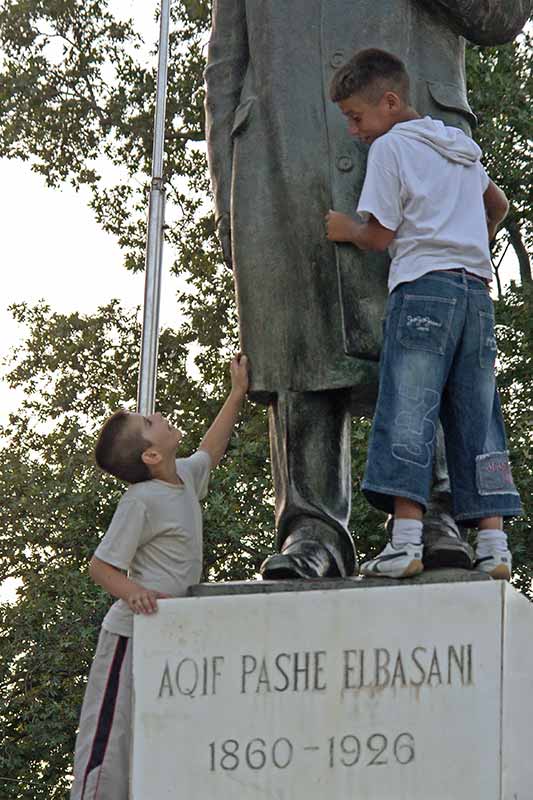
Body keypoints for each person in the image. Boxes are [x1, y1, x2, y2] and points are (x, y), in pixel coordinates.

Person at [204, 0, 531, 580]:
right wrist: (229, 198)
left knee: (423, 364)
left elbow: (500, 17)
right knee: (299, 343)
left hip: (419, 153)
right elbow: (227, 58)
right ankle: (310, 526)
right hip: (281, 150)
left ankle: (436, 518)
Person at [326, 49, 522, 580]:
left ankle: (406, 542)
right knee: (479, 417)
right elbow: (498, 206)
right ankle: (494, 547)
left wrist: (344, 228)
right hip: (475, 296)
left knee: (409, 409)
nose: (353, 130)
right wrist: (469, 249)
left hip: (423, 292)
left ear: (389, 102)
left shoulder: (392, 148)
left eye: (355, 116)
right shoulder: (460, 146)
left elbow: (381, 235)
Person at [69, 355, 249, 800]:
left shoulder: (184, 476)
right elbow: (102, 566)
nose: (159, 415)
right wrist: (135, 594)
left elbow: (212, 448)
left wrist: (237, 392)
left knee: (155, 739)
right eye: (150, 421)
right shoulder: (141, 500)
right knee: (109, 737)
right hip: (131, 635)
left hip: (171, 635)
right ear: (151, 454)